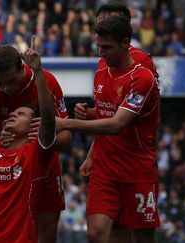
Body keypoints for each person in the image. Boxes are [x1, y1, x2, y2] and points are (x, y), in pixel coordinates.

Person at [57, 16, 160, 243]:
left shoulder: (142, 78)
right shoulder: (102, 69)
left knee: (143, 237)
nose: (101, 53)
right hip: (105, 170)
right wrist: (90, 115)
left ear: (126, 42)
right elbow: (107, 113)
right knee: (96, 233)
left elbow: (117, 124)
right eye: (98, 47)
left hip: (137, 170)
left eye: (107, 47)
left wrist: (68, 123)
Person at [0, 41, 72, 243]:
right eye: (0, 83)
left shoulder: (46, 84)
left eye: (11, 81)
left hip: (38, 163)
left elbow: (61, 134)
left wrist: (38, 73)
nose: (6, 88)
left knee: (46, 231)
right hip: (5, 159)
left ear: (22, 68)